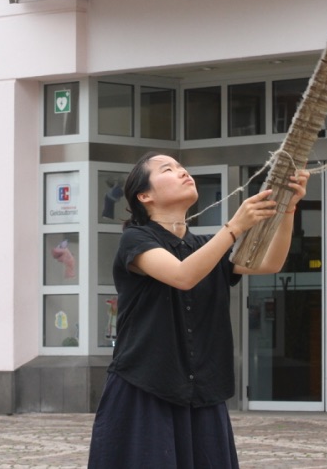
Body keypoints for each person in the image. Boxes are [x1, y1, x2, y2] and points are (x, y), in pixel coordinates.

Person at [88, 151, 308, 468]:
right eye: (168, 169)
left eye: (182, 167)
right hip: (145, 386)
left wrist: (287, 209)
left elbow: (269, 263)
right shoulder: (135, 240)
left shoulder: (206, 246)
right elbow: (182, 275)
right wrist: (234, 227)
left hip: (201, 390)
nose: (182, 172)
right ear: (144, 195)